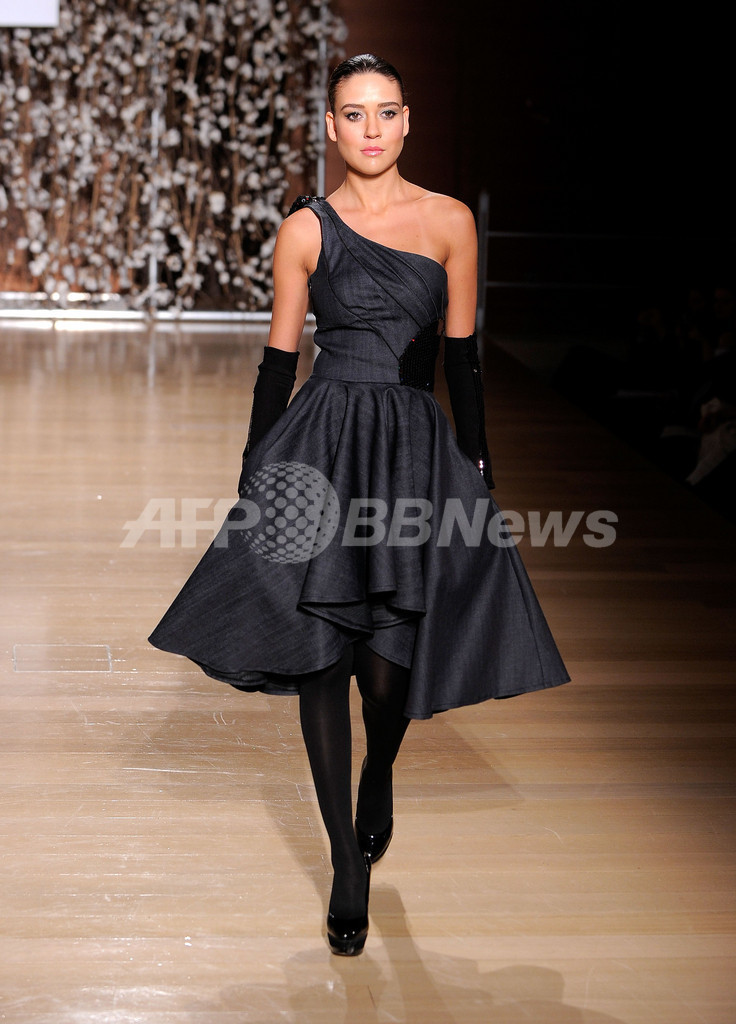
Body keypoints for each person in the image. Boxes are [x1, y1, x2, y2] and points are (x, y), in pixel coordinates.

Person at [149, 54, 570, 956]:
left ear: (407, 121)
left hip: (410, 449)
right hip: (324, 443)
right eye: (353, 113)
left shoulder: (450, 222)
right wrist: (257, 469)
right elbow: (278, 360)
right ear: (332, 127)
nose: (370, 129)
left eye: (385, 113)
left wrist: (477, 466)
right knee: (320, 653)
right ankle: (345, 859)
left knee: (387, 669)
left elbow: (462, 356)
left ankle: (379, 769)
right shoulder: (305, 229)